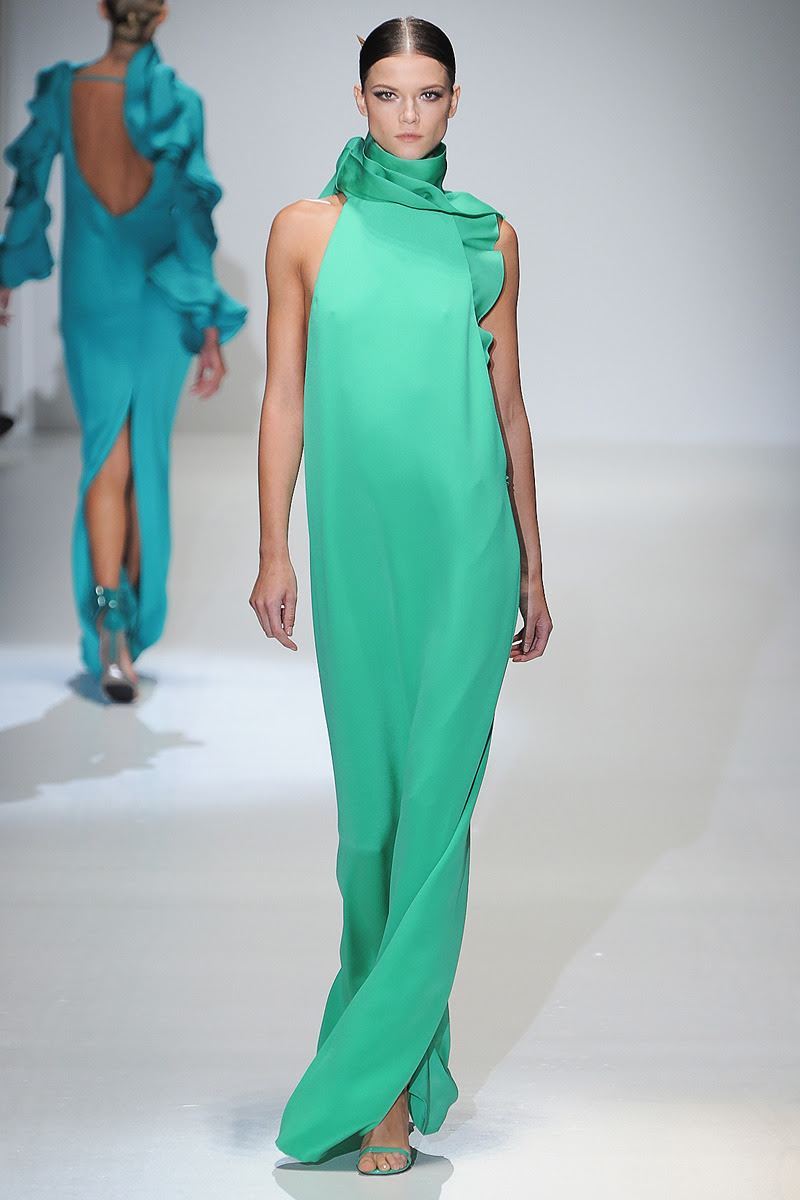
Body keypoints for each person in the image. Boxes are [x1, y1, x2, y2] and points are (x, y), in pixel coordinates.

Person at [250, 16, 552, 1175]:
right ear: (360, 99)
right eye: (389, 93)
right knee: (370, 824)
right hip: (357, 553)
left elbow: (509, 409)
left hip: (467, 549)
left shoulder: (487, 238)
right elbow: (284, 397)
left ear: (455, 102)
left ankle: (383, 1093)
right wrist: (272, 549)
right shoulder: (304, 231)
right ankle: (391, 1054)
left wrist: (531, 564)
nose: (409, 114)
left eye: (428, 94)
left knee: (433, 818)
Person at [0, 0, 246, 701]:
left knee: (105, 456)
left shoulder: (64, 89)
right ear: (161, 14)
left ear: (104, 8)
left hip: (93, 296)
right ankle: (126, 633)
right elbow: (191, 222)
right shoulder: (180, 104)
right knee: (145, 462)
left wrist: (9, 269)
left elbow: (28, 183)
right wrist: (207, 324)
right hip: (160, 298)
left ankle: (110, 631)